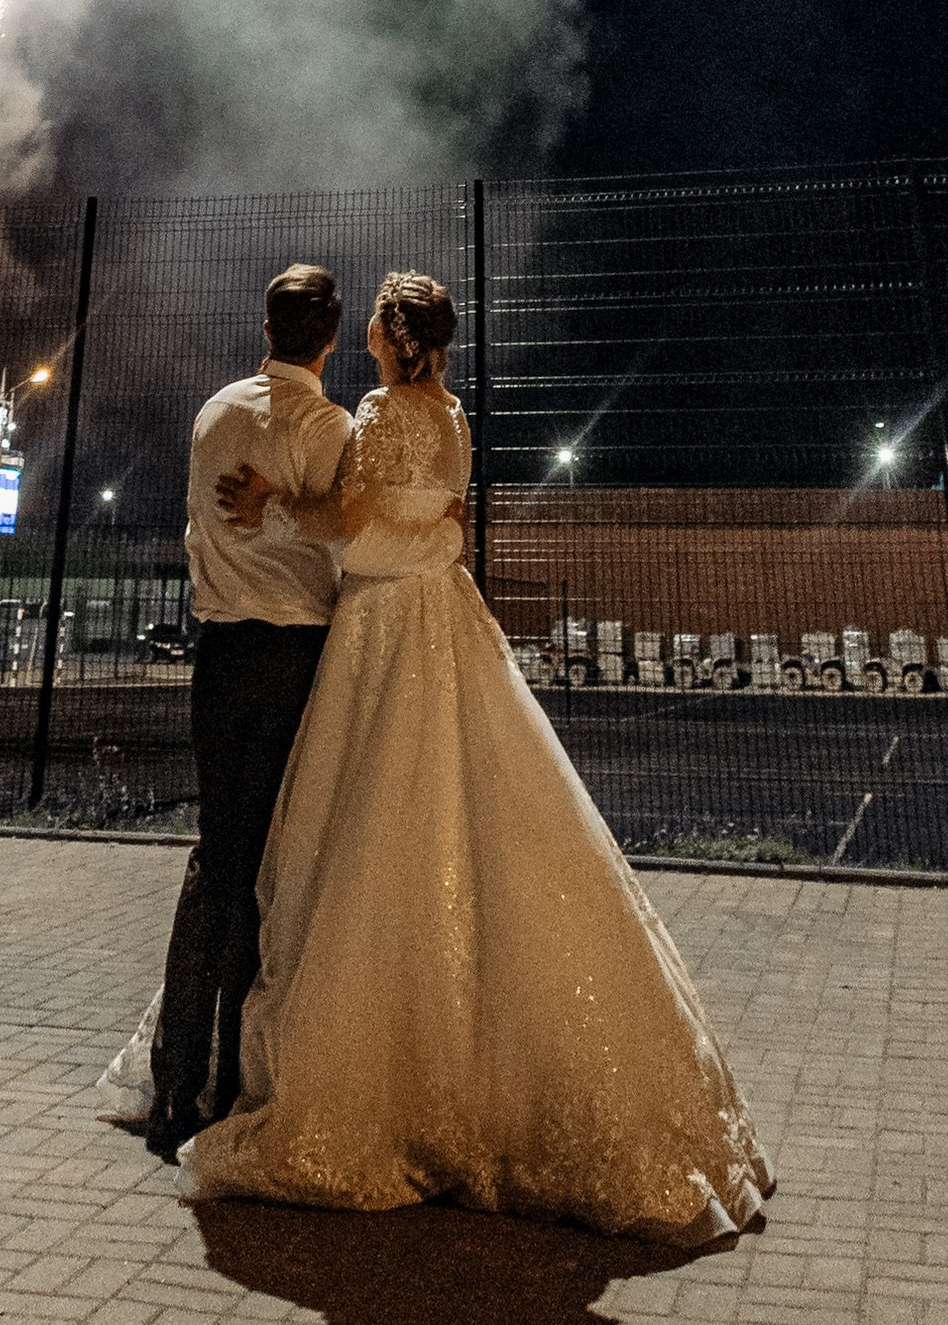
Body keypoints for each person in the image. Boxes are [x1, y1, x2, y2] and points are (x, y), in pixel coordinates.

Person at [174, 269, 771, 1248]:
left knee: (370, 826)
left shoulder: (376, 406)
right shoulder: (450, 414)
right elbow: (428, 515)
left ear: (390, 334)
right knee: (483, 812)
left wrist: (270, 503)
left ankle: (343, 1060)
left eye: (377, 314)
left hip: (378, 630)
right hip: (449, 622)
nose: (363, 323)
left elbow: (345, 518)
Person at [97, 261, 355, 1162]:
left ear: (265, 326)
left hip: (219, 653)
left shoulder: (213, 411)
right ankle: (235, 1084)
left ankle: (176, 1080)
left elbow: (196, 523)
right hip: (294, 653)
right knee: (268, 861)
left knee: (217, 853)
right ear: (328, 336)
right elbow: (347, 536)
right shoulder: (328, 427)